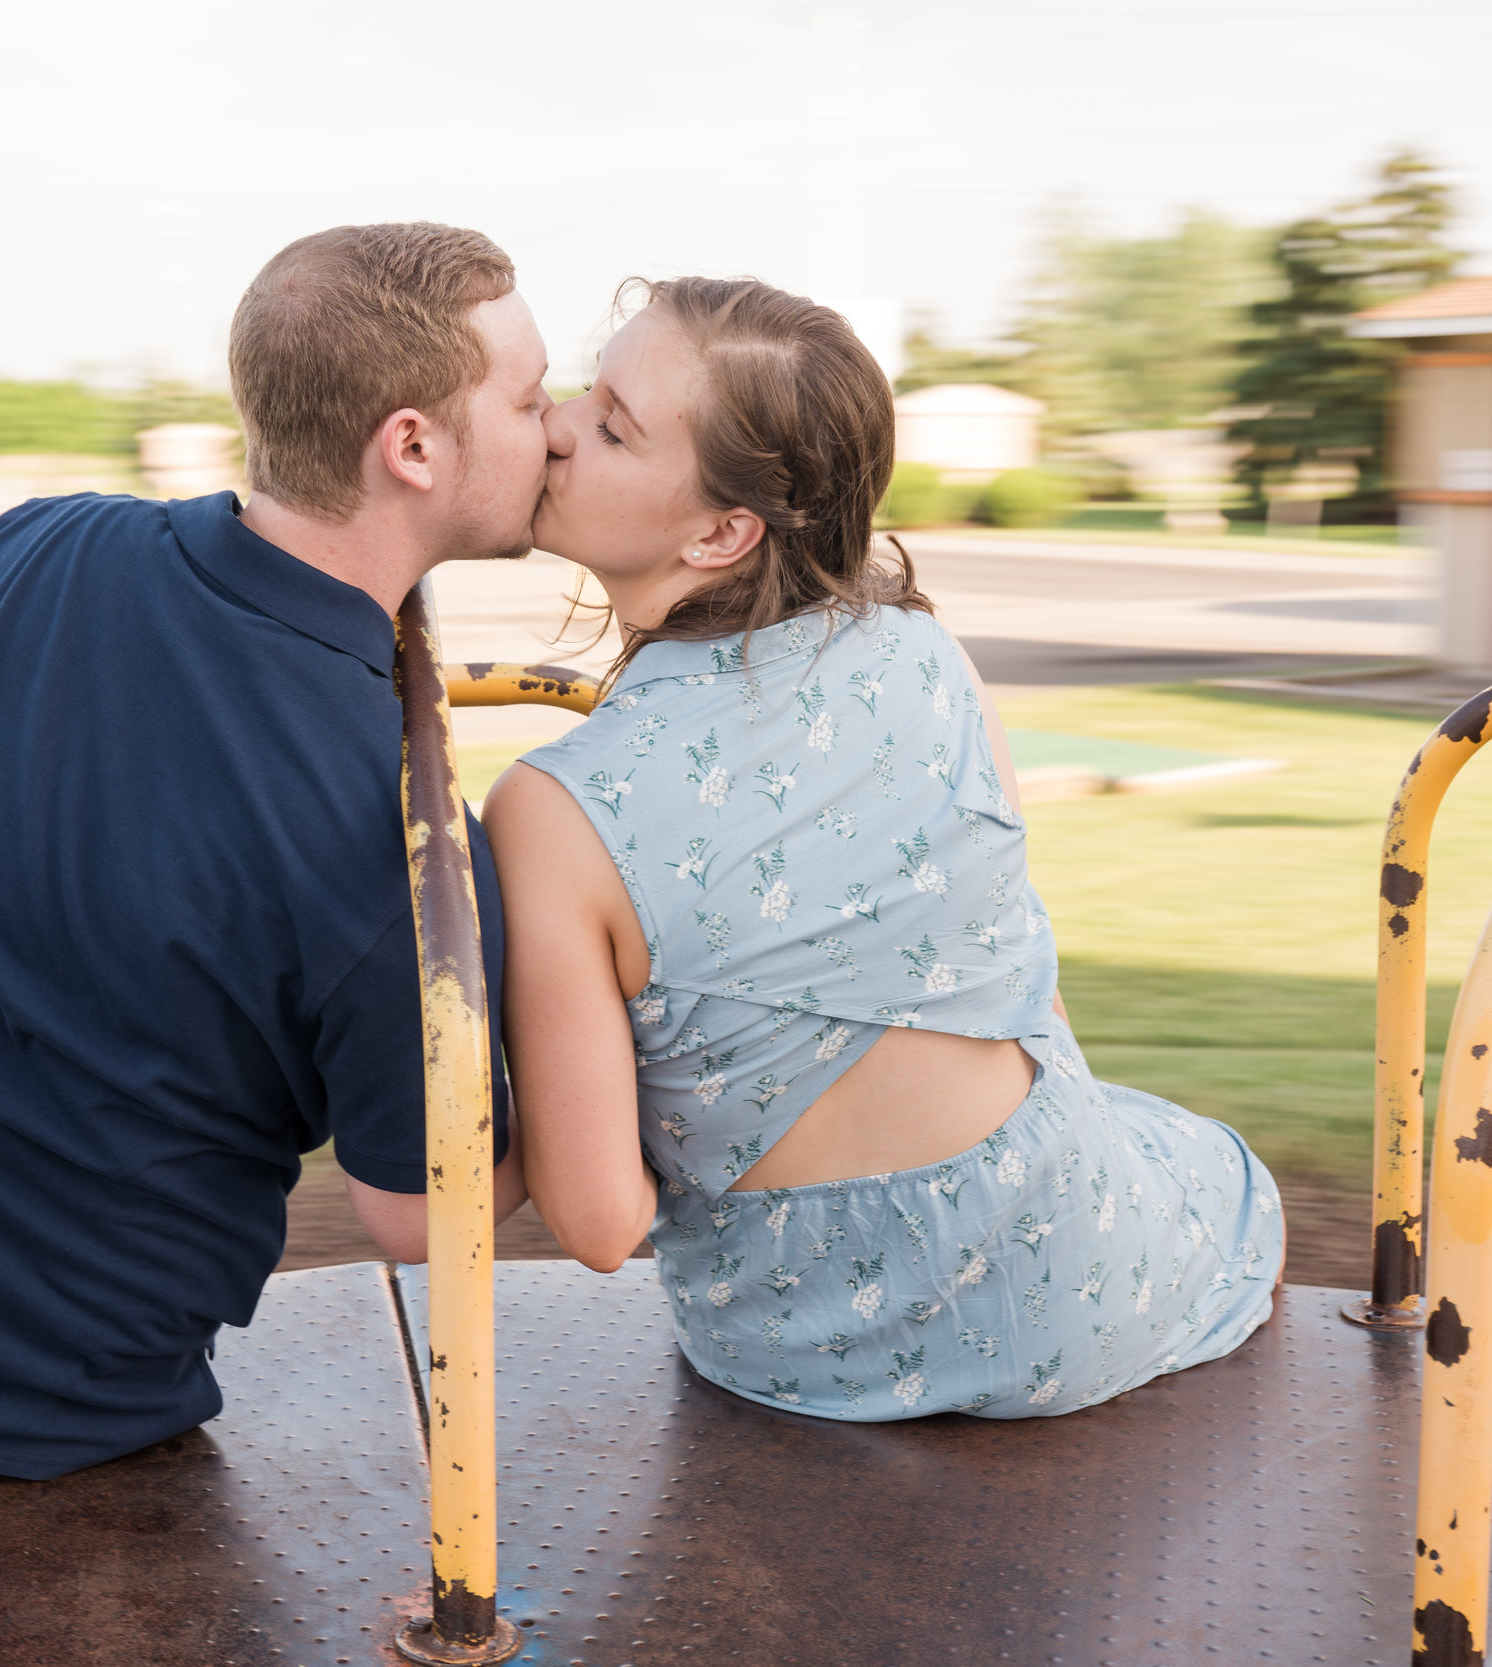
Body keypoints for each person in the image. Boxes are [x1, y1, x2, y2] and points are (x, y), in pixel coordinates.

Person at [0, 223, 540, 1479]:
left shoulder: (35, 542)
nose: (554, 427)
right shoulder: (406, 826)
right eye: (529, 396)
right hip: (26, 1415)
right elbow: (419, 1215)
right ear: (411, 445)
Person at [487, 277, 1283, 1420]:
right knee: (1224, 1174)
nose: (554, 426)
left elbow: (601, 1221)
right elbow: (1015, 975)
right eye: (581, 390)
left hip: (801, 1345)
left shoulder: (550, 807)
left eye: (610, 424)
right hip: (1072, 1278)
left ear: (721, 532)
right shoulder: (924, 653)